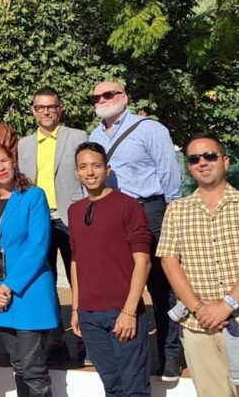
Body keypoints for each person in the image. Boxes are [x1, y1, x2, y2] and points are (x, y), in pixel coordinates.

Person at [158, 134, 239, 396]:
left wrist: (227, 306)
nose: (202, 162)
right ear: (189, 167)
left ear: (225, 161)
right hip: (198, 325)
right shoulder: (176, 211)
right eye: (194, 159)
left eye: (210, 156)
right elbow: (169, 262)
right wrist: (199, 308)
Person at [88, 80, 186, 380]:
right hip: (113, 214)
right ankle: (126, 350)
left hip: (148, 210)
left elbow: (169, 173)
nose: (102, 99)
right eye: (96, 97)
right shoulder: (94, 136)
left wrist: (171, 215)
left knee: (160, 285)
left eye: (108, 94)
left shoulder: (150, 129)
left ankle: (170, 352)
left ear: (124, 97)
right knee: (120, 282)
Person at [67, 143, 152, 396]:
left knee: (134, 389)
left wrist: (129, 311)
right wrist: (76, 308)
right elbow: (76, 261)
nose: (90, 172)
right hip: (89, 315)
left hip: (121, 312)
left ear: (108, 169)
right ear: (76, 172)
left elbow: (143, 261)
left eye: (96, 165)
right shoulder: (74, 210)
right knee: (112, 386)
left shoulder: (128, 206)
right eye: (83, 167)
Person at [0, 144, 59, 397]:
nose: (0, 167)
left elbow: (38, 247)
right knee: (19, 365)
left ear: (13, 162)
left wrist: (8, 286)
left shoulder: (33, 196)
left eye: (4, 161)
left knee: (34, 369)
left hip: (28, 292)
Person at [16, 87, 88, 364]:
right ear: (33, 111)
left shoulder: (78, 137)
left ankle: (85, 340)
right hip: (39, 221)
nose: (46, 111)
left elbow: (87, 175)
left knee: (79, 278)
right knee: (45, 281)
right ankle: (56, 340)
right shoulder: (24, 145)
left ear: (60, 109)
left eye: (51, 106)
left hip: (71, 217)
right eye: (40, 107)